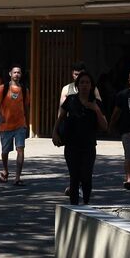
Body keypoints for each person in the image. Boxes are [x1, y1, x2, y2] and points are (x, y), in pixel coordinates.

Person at [53, 71, 107, 205]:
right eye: (82, 82)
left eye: (87, 83)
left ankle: (86, 204)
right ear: (77, 85)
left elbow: (105, 126)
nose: (84, 85)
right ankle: (74, 207)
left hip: (88, 146)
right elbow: (61, 118)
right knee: (74, 177)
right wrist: (55, 133)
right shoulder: (71, 100)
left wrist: (96, 109)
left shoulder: (96, 103)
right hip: (71, 145)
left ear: (91, 86)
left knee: (86, 177)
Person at [0, 65, 29, 185]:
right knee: (5, 151)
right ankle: (5, 170)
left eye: (19, 72)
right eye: (14, 72)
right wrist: (1, 118)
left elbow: (26, 107)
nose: (16, 74)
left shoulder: (24, 90)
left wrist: (27, 123)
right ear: (10, 73)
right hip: (6, 125)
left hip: (20, 125)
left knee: (20, 149)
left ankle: (17, 178)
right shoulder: (3, 88)